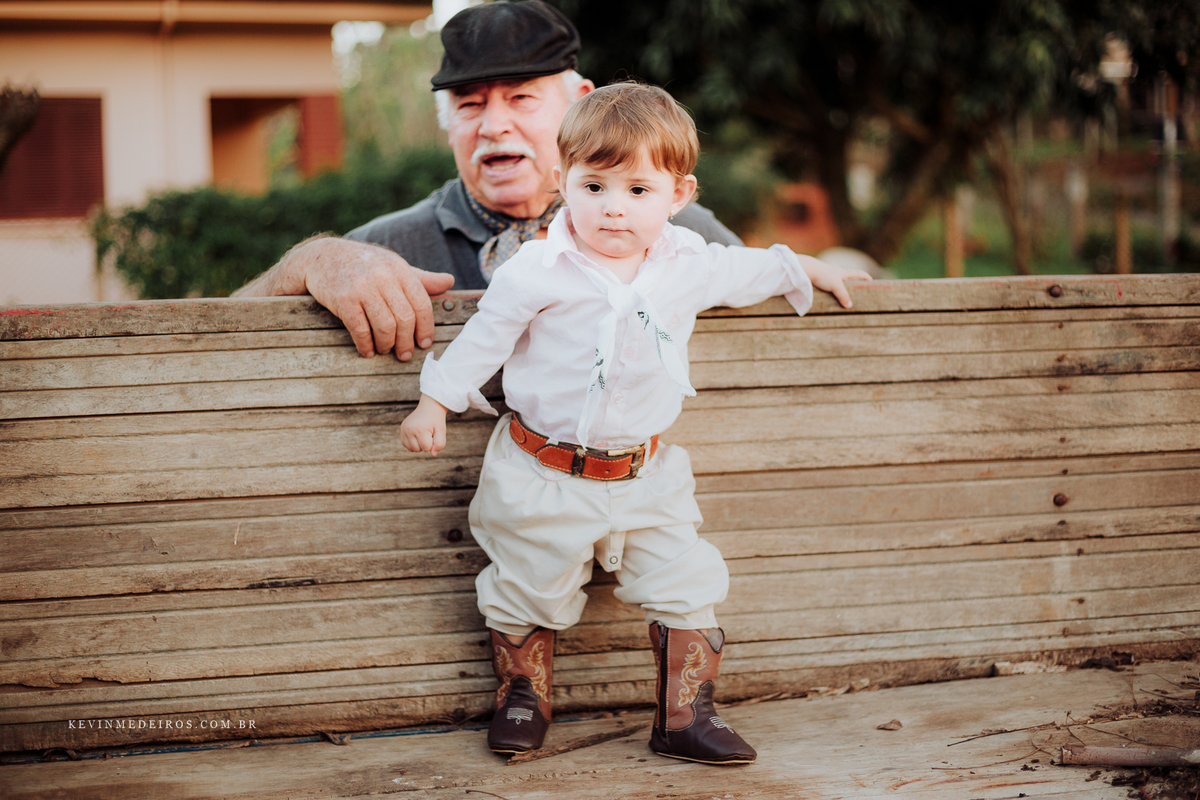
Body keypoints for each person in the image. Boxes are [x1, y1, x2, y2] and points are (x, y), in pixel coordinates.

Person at [399, 81, 872, 765]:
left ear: (679, 195)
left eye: (638, 192)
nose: (613, 209)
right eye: (594, 187)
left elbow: (746, 270)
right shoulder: (538, 270)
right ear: (564, 182)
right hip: (542, 472)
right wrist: (435, 402)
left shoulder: (685, 264)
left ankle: (686, 716)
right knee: (527, 582)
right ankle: (524, 696)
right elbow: (484, 339)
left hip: (645, 475)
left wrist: (803, 266)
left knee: (688, 577)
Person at [233, 0, 739, 363]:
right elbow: (212, 332)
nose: (493, 125)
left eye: (521, 99)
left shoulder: (672, 225)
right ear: (448, 123)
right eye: (470, 105)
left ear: (578, 103)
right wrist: (308, 261)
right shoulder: (386, 248)